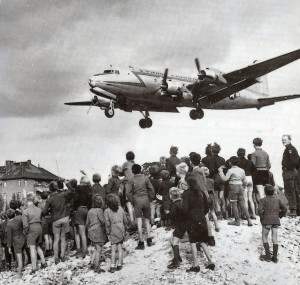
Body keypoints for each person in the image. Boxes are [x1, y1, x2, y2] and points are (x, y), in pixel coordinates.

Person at [182, 173, 215, 273]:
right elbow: (207, 206)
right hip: (201, 217)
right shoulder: (200, 192)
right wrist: (201, 213)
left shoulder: (186, 193)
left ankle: (196, 264)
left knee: (192, 241)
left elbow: (185, 209)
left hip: (192, 218)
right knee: (202, 241)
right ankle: (210, 261)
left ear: (187, 183)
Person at [42, 181, 74, 264]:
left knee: (56, 240)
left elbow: (44, 212)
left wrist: (49, 211)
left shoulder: (49, 199)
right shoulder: (63, 195)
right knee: (63, 238)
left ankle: (56, 258)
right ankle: (62, 256)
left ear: (50, 189)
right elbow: (72, 190)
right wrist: (66, 182)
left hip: (56, 220)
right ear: (57, 188)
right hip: (65, 218)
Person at [126, 164, 155, 249]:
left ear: (132, 171)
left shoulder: (131, 180)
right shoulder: (145, 178)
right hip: (145, 198)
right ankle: (149, 239)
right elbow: (151, 189)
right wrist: (149, 198)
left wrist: (132, 201)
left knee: (139, 220)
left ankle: (141, 242)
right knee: (147, 219)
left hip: (137, 200)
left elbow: (128, 193)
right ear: (140, 170)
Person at [190, 152, 215, 246]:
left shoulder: (195, 171)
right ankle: (210, 237)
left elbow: (200, 186)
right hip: (203, 195)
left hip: (199, 196)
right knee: (205, 217)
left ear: (191, 161)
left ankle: (207, 238)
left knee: (202, 218)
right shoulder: (200, 170)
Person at [218, 156, 253, 226]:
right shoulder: (242, 170)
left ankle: (237, 220)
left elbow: (225, 179)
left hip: (233, 187)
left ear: (230, 163)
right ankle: (249, 220)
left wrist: (220, 171)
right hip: (240, 186)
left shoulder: (230, 170)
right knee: (242, 203)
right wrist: (243, 187)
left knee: (234, 204)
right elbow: (245, 181)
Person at [258, 184, 288, 263]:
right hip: (275, 221)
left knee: (264, 237)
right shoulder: (277, 200)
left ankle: (267, 256)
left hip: (267, 221)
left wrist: (262, 218)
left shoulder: (263, 200)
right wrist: (279, 216)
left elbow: (260, 210)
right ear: (273, 192)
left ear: (265, 192)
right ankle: (274, 257)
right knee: (275, 238)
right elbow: (285, 209)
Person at [22, 192, 47, 274]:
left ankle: (34, 268)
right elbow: (43, 220)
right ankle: (43, 263)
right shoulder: (39, 209)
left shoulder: (25, 211)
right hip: (39, 227)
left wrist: (25, 233)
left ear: (27, 200)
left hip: (31, 228)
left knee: (32, 248)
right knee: (37, 246)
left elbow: (25, 225)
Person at [163, 187, 186, 269]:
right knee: (171, 239)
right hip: (185, 223)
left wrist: (162, 218)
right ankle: (177, 257)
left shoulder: (174, 204)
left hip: (180, 225)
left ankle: (176, 261)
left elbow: (171, 214)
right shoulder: (182, 202)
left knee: (174, 241)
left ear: (170, 196)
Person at [104, 194, 127, 273]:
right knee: (120, 248)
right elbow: (125, 219)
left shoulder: (107, 211)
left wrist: (107, 232)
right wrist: (125, 228)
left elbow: (107, 223)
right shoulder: (120, 208)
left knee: (113, 249)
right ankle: (120, 264)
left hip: (113, 229)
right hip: (121, 228)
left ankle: (112, 265)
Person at [205, 143, 227, 220]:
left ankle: (219, 213)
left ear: (211, 150)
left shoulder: (209, 159)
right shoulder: (222, 159)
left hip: (214, 179)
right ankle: (225, 213)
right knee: (222, 196)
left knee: (216, 197)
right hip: (221, 178)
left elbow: (210, 171)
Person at [73, 175, 93, 258]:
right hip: (88, 210)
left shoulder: (78, 189)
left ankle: (84, 250)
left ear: (81, 182)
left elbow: (76, 199)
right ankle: (90, 247)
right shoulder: (90, 189)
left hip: (80, 209)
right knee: (88, 230)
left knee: (82, 232)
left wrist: (75, 209)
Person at [86, 194, 108, 273]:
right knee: (99, 249)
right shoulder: (99, 211)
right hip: (98, 231)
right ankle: (96, 267)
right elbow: (103, 221)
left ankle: (92, 263)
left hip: (91, 231)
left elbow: (87, 223)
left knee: (95, 248)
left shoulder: (90, 210)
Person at [281, 135, 299, 217]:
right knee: (294, 190)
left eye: (285, 140)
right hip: (293, 171)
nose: (283, 141)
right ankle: (296, 209)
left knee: (289, 191)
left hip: (289, 171)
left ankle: (292, 210)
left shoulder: (289, 149)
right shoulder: (291, 148)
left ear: (289, 140)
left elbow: (293, 161)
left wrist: (288, 168)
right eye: (282, 140)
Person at [237, 148, 257, 219]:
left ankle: (246, 215)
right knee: (250, 198)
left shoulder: (238, 162)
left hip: (243, 179)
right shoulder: (249, 162)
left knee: (245, 199)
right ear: (244, 154)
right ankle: (254, 214)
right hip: (250, 178)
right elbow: (255, 171)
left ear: (237, 154)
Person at [6, 209, 25, 278]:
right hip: (23, 238)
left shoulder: (9, 225)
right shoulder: (19, 220)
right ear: (14, 215)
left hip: (16, 241)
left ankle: (19, 274)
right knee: (22, 254)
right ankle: (22, 268)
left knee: (19, 258)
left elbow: (9, 237)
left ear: (7, 216)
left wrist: (9, 247)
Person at [120, 151, 136, 228]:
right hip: (135, 184)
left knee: (128, 202)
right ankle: (136, 221)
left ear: (126, 157)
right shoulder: (135, 164)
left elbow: (120, 172)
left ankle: (132, 221)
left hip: (128, 185)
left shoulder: (125, 164)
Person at [38, 191, 53, 257]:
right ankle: (51, 249)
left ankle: (47, 250)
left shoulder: (40, 204)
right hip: (51, 220)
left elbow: (39, 213)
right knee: (50, 236)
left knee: (46, 236)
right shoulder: (50, 203)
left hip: (44, 221)